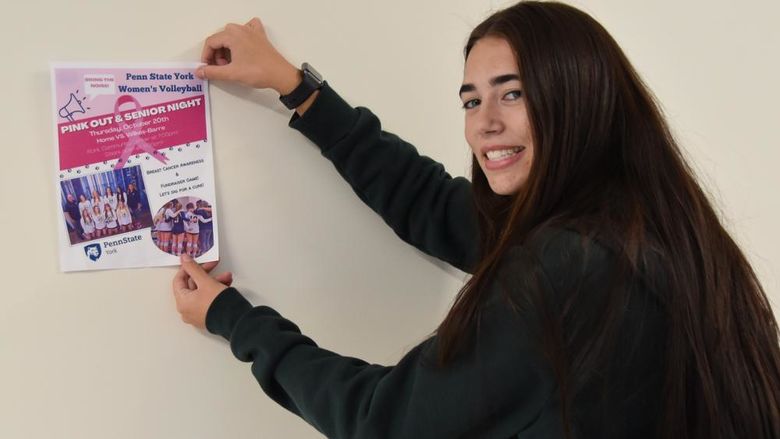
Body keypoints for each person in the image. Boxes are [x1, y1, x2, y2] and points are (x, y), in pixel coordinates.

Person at [171, 3, 780, 438]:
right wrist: (296, 87)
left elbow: (384, 423)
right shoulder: (641, 225)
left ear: (578, 98)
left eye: (512, 93)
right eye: (471, 99)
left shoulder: (569, 269)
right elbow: (431, 203)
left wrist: (235, 320)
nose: (483, 123)